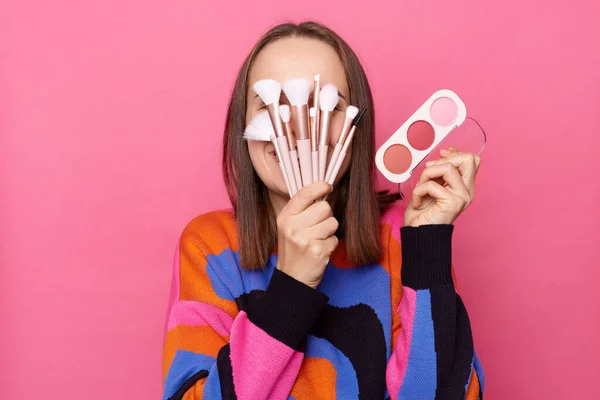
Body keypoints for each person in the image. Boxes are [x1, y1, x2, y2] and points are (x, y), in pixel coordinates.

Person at [161, 21, 484, 400]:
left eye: (325, 106)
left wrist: (427, 248)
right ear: (242, 129)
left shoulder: (404, 237)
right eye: (272, 107)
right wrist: (291, 287)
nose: (299, 128)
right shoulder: (211, 247)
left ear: (355, 127)